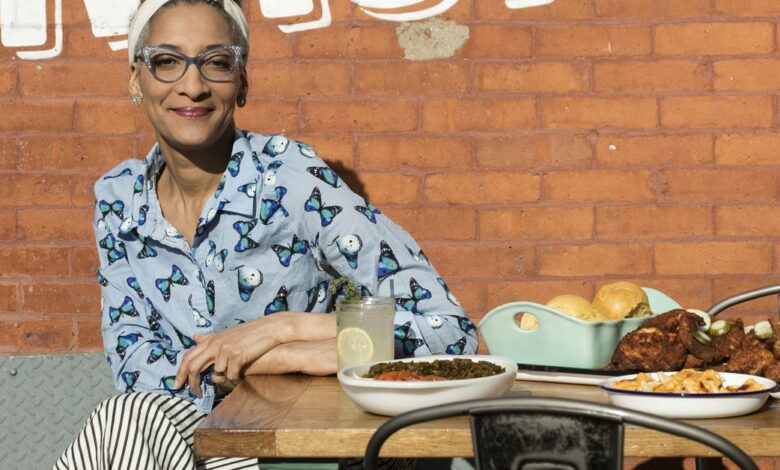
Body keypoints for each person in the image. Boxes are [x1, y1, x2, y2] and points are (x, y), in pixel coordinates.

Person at [55, 0, 478, 468]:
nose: (192, 86)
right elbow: (134, 366)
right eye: (167, 61)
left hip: (295, 439)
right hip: (181, 432)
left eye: (217, 62)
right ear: (136, 79)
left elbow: (449, 332)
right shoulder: (119, 200)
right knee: (124, 419)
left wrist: (284, 332)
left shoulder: (290, 178)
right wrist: (256, 362)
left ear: (242, 82)